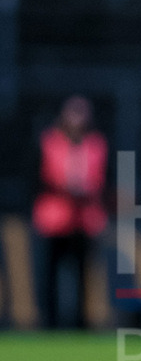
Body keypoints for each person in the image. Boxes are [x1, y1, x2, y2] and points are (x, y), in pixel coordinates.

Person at [32, 95, 109, 329]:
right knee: (50, 276)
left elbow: (105, 180)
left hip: (85, 220)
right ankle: (50, 324)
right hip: (54, 220)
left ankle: (81, 324)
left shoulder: (96, 144)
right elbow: (35, 179)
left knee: (84, 277)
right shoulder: (49, 142)